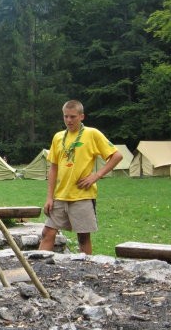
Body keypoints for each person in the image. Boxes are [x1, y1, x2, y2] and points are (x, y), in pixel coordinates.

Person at [38, 100, 123, 255]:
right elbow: (53, 168)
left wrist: (96, 175)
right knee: (47, 233)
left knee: (83, 238)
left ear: (81, 116)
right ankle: (37, 270)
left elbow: (117, 156)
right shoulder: (58, 137)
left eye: (73, 117)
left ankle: (87, 271)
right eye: (66, 117)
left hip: (82, 196)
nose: (69, 120)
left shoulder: (92, 134)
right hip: (60, 196)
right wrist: (49, 197)